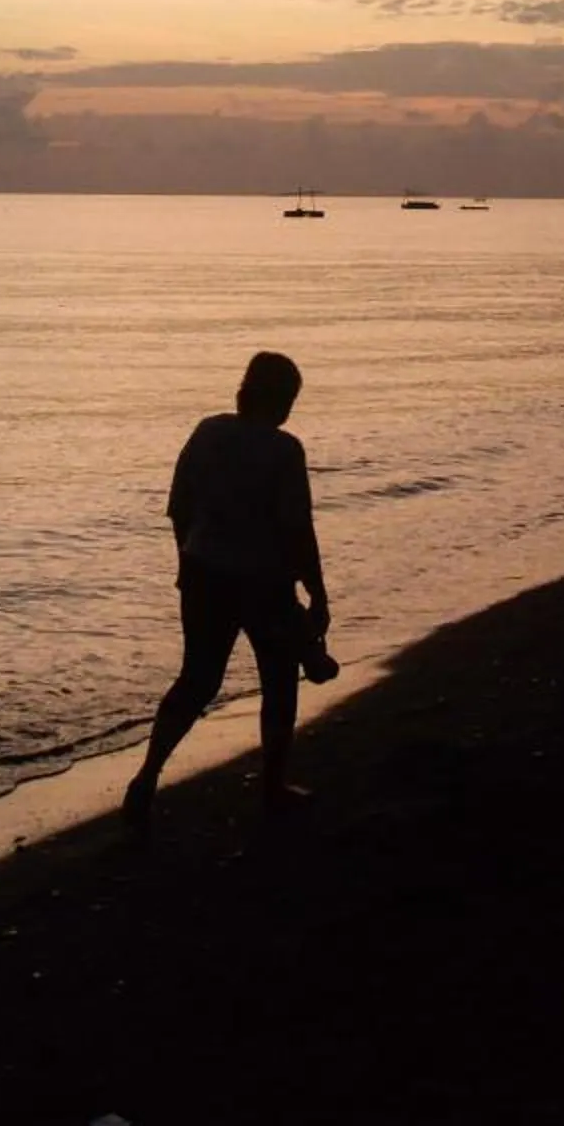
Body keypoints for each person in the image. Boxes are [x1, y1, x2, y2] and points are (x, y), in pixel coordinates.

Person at [123, 351, 332, 827]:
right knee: (279, 684)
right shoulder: (284, 450)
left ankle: (147, 776)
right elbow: (297, 529)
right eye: (291, 398)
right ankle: (273, 789)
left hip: (204, 575)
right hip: (264, 582)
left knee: (196, 681)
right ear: (280, 400)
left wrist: (186, 561)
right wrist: (318, 592)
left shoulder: (207, 432)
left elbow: (179, 507)